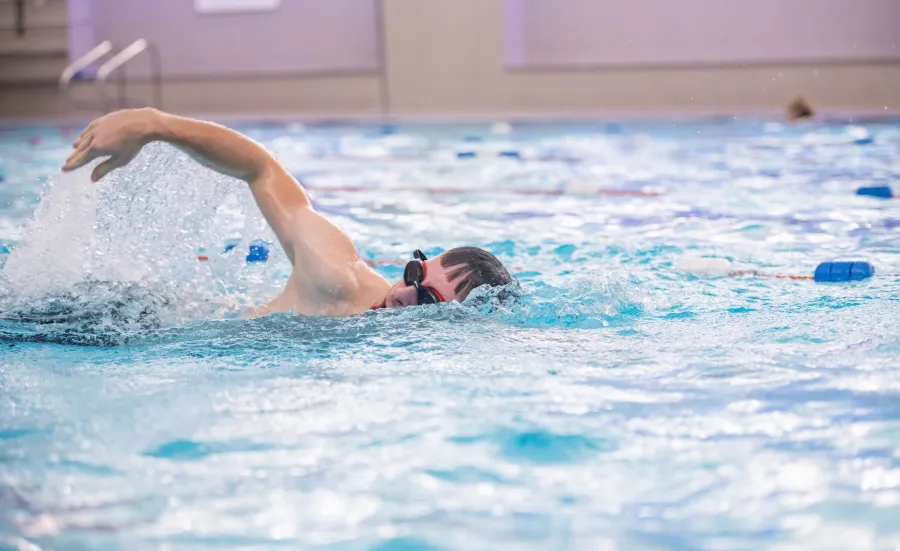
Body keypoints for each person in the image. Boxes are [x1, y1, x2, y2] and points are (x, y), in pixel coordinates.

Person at [62, 108, 513, 317]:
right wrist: (154, 124)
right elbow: (262, 170)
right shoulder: (339, 279)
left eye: (428, 301)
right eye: (415, 274)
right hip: (123, 322)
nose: (403, 294)